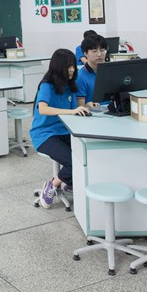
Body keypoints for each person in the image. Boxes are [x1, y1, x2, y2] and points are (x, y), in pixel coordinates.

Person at [30, 49, 91, 208]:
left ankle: (69, 183)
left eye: (73, 66)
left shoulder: (70, 86)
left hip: (65, 131)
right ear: (59, 67)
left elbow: (75, 110)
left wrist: (87, 106)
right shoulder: (47, 85)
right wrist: (71, 111)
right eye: (69, 66)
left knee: (86, 155)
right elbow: (43, 109)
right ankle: (53, 184)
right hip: (44, 134)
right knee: (73, 160)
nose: (72, 69)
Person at [76, 33, 108, 108]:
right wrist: (87, 106)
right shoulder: (80, 76)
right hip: (93, 113)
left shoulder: (110, 72)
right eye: (94, 51)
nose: (99, 54)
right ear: (85, 53)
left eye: (102, 50)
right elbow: (80, 107)